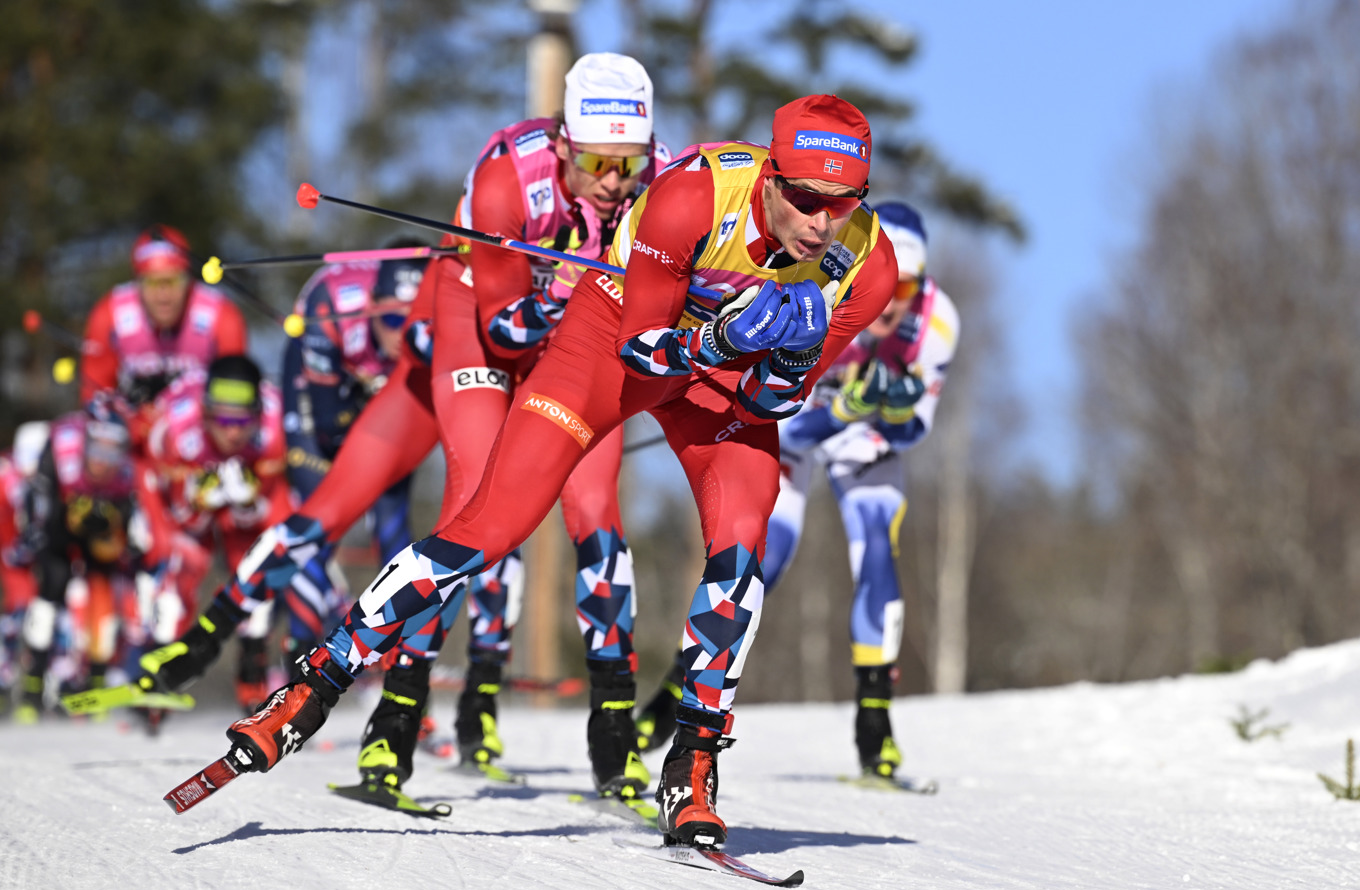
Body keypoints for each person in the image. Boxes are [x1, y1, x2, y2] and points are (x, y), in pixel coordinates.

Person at [222, 93, 898, 849]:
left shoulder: (868, 266)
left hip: (719, 379)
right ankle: (315, 682)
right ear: (772, 177)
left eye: (842, 205)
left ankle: (694, 761)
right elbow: (642, 349)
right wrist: (722, 338)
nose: (820, 222)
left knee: (745, 539)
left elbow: (772, 400)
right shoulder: (692, 197)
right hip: (615, 340)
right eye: (805, 198)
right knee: (490, 526)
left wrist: (794, 357)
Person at [144, 53, 668, 801]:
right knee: (473, 508)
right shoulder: (506, 177)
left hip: (577, 336)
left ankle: (614, 738)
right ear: (561, 144)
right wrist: (580, 288)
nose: (617, 183)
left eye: (631, 163)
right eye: (596, 162)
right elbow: (508, 329)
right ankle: (392, 725)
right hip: (481, 326)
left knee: (595, 509)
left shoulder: (667, 182)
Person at [634, 202, 959, 786]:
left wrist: (895, 411)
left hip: (865, 443)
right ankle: (669, 702)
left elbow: (916, 430)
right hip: (801, 428)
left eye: (908, 288)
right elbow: (789, 422)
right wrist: (845, 408)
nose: (893, 304)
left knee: (878, 552)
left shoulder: (937, 321)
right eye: (891, 286)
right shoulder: (829, 287)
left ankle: (874, 728)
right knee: (762, 561)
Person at [279, 249, 430, 660]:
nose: (403, 336)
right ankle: (297, 653)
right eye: (393, 322)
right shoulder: (332, 303)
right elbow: (328, 424)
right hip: (321, 383)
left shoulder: (431, 330)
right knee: (319, 517)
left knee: (393, 526)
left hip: (375, 388)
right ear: (372, 309)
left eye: (415, 323)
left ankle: (401, 668)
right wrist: (366, 405)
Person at [139, 355, 290, 712]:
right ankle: (157, 669)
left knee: (259, 564)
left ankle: (252, 669)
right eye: (222, 420)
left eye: (243, 421)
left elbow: (272, 517)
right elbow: (180, 519)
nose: (233, 432)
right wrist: (197, 499)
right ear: (205, 413)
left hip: (248, 510)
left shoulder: (276, 431)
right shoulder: (175, 431)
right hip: (185, 502)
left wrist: (245, 504)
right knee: (180, 565)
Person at [14, 399, 147, 722]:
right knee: (53, 583)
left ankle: (96, 682)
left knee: (103, 586)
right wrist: (62, 520)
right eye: (97, 448)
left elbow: (125, 536)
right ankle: (33, 683)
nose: (103, 460)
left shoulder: (125, 474)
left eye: (112, 450)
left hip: (98, 523)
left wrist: (111, 530)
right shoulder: (60, 453)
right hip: (58, 516)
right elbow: (39, 513)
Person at [81, 226, 248, 447]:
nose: (163, 296)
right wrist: (131, 421)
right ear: (137, 282)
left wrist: (180, 418)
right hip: (132, 445)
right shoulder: (109, 315)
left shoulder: (221, 315)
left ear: (189, 280)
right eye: (151, 282)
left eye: (173, 281)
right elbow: (94, 395)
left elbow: (235, 398)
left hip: (199, 442)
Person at [0, 423, 49, 715]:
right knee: (15, 618)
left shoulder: (49, 479)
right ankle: (5, 686)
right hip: (11, 560)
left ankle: (39, 689)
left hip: (34, 562)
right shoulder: (7, 477)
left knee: (40, 617)